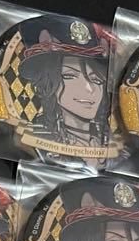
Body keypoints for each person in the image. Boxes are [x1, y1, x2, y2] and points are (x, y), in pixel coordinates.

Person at [16, 17, 112, 156]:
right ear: (49, 82)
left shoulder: (115, 143)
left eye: (96, 80)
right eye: (69, 76)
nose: (89, 89)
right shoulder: (32, 137)